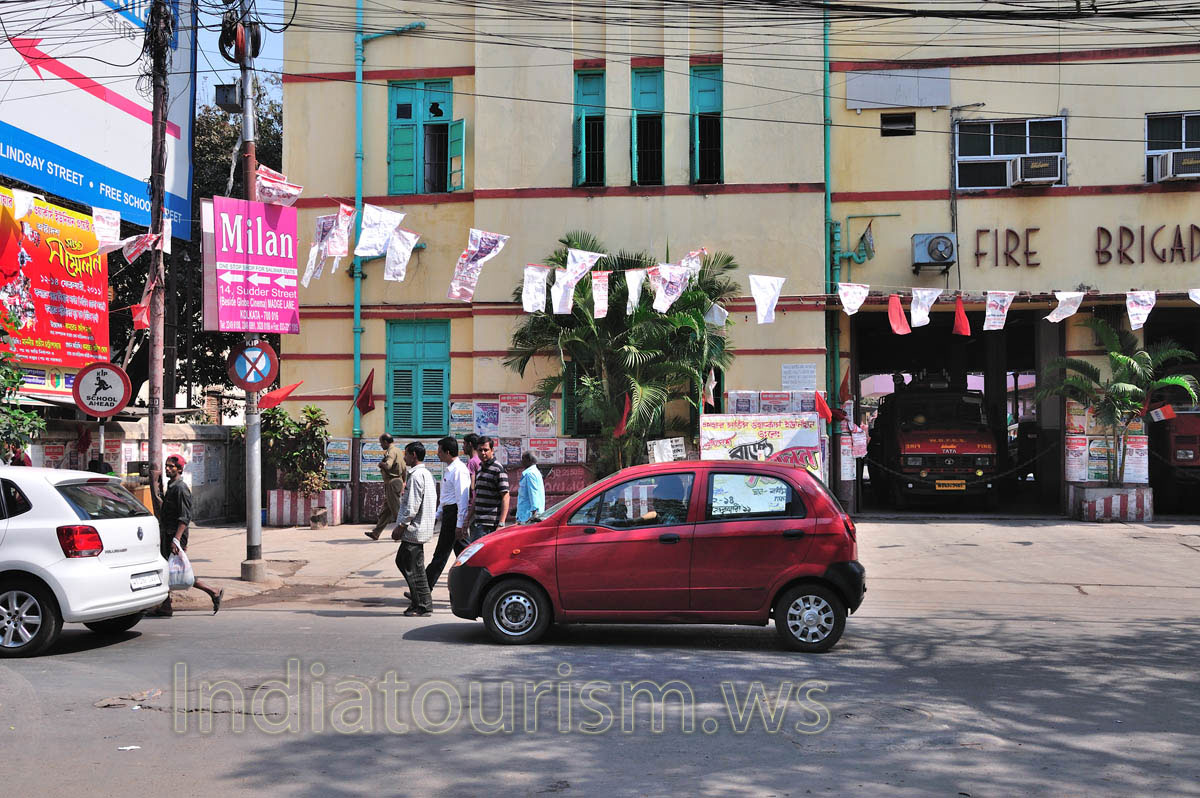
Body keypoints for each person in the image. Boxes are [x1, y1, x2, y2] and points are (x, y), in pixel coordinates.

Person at [149, 454, 223, 617]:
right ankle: (166, 605)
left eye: (171, 466)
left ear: (180, 469)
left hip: (174, 535)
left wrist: (176, 539)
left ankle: (212, 591)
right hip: (169, 534)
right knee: (170, 570)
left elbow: (185, 517)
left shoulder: (181, 488)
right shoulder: (172, 485)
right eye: (166, 465)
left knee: (178, 571)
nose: (167, 468)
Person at [392, 441, 437, 617]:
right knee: (405, 562)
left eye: (407, 454)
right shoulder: (426, 474)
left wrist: (401, 526)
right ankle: (420, 600)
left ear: (414, 456)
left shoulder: (417, 476)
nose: (404, 457)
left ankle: (423, 604)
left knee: (413, 567)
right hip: (420, 527)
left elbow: (412, 505)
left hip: (414, 528)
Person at [424, 436, 471, 591]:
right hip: (449, 513)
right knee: (464, 553)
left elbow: (461, 499)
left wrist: (459, 524)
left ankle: (423, 589)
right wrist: (438, 514)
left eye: (439, 451)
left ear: (448, 452)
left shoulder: (459, 470)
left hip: (454, 514)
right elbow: (446, 497)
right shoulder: (450, 469)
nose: (438, 454)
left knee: (441, 554)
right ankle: (474, 581)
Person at [465, 437, 509, 541]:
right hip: (479, 522)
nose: (483, 453)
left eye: (486, 450)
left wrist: (501, 523)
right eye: (480, 450)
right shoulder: (480, 468)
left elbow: (506, 497)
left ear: (492, 450)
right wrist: (467, 518)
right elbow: (478, 496)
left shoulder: (498, 469)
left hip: (491, 525)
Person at [366, 433, 405, 540]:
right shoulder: (398, 451)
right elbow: (404, 468)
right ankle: (376, 532)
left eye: (381, 443)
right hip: (397, 481)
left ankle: (402, 533)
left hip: (392, 483)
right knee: (386, 510)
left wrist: (381, 464)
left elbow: (388, 465)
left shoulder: (391, 452)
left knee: (396, 510)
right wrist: (404, 481)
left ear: (385, 442)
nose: (380, 445)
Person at [516, 451, 544, 524]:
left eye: (523, 459)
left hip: (528, 517)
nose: (521, 461)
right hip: (527, 515)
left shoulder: (529, 474)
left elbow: (533, 494)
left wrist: (534, 514)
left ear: (528, 460)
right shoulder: (535, 472)